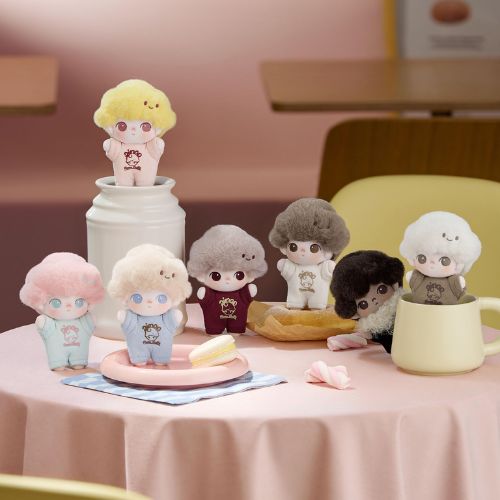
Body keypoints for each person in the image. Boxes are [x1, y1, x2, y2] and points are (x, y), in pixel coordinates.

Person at [108, 244, 191, 365]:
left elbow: (173, 318)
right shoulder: (133, 317)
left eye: (161, 298)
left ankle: (160, 358)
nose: (150, 302)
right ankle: (140, 358)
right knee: (139, 360)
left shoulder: (166, 316)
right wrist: (124, 317)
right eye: (138, 298)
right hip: (137, 351)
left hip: (162, 350)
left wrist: (175, 316)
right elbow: (125, 319)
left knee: (162, 359)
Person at [19, 253, 105, 370]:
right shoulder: (51, 322)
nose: (69, 306)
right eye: (56, 302)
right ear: (40, 302)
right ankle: (59, 362)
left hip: (80, 352)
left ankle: (78, 361)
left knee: (79, 362)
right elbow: (44, 326)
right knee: (58, 361)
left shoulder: (84, 319)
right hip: (57, 353)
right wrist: (42, 323)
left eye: (78, 302)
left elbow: (90, 323)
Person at [268, 198, 350, 310]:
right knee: (294, 306)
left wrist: (329, 266)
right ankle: (296, 305)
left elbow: (329, 269)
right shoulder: (293, 265)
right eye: (294, 247)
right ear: (284, 247)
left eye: (314, 248)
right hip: (294, 297)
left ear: (328, 250)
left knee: (317, 306)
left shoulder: (323, 266)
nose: (302, 252)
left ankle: (316, 306)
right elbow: (286, 268)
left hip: (318, 298)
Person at [94, 79, 176, 186]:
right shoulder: (118, 144)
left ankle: (145, 190)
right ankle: (124, 191)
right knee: (122, 185)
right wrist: (110, 145)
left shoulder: (150, 145)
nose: (133, 130)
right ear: (110, 127)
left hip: (147, 173)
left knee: (146, 184)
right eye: (122, 126)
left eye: (145, 127)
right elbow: (111, 148)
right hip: (122, 175)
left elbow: (157, 146)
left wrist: (157, 145)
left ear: (158, 128)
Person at [187, 225, 267, 335]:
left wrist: (250, 290)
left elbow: (247, 296)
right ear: (202, 275)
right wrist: (203, 294)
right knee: (214, 329)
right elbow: (205, 300)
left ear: (250, 275)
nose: (228, 279)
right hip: (213, 321)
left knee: (236, 330)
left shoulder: (242, 292)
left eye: (238, 275)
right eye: (216, 276)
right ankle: (214, 330)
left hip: (238, 320)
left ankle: (236, 329)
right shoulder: (211, 293)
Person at [329, 250, 405, 353]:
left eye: (381, 289)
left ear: (394, 285)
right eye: (363, 304)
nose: (374, 300)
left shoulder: (408, 309)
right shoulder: (374, 331)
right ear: (355, 313)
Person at [399, 211, 481, 305]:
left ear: (459, 264)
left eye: (444, 261)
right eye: (422, 258)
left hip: (448, 313)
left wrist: (459, 282)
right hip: (418, 312)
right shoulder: (418, 277)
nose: (432, 263)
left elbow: (459, 286)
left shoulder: (453, 281)